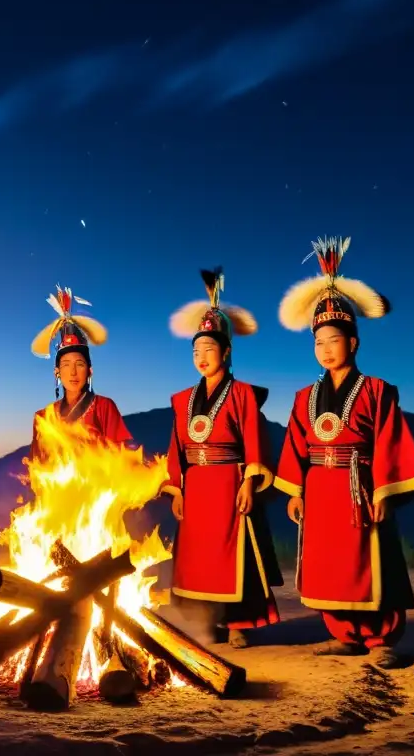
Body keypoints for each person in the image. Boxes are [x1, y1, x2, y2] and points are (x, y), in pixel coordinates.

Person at [274, 236, 414, 669]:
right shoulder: (304, 395)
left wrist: (383, 492)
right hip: (319, 487)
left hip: (359, 484)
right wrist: (294, 491)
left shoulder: (377, 391)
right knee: (329, 562)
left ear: (354, 343)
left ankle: (382, 639)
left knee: (370, 559)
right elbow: (294, 445)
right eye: (318, 341)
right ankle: (344, 633)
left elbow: (389, 440)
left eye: (334, 340)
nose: (325, 348)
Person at [162, 268, 283, 648]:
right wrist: (176, 490)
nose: (201, 357)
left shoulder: (243, 394)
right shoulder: (182, 400)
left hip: (230, 482)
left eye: (209, 350)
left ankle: (238, 623)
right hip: (195, 485)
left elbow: (253, 441)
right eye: (195, 350)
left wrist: (249, 481)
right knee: (200, 558)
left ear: (226, 352)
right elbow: (175, 450)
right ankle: (206, 621)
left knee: (235, 554)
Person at [28, 284, 131, 456]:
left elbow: (122, 456)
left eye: (80, 364)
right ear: (57, 372)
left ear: (90, 371)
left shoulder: (104, 407)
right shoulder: (44, 417)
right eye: (66, 365)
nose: (73, 372)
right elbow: (36, 465)